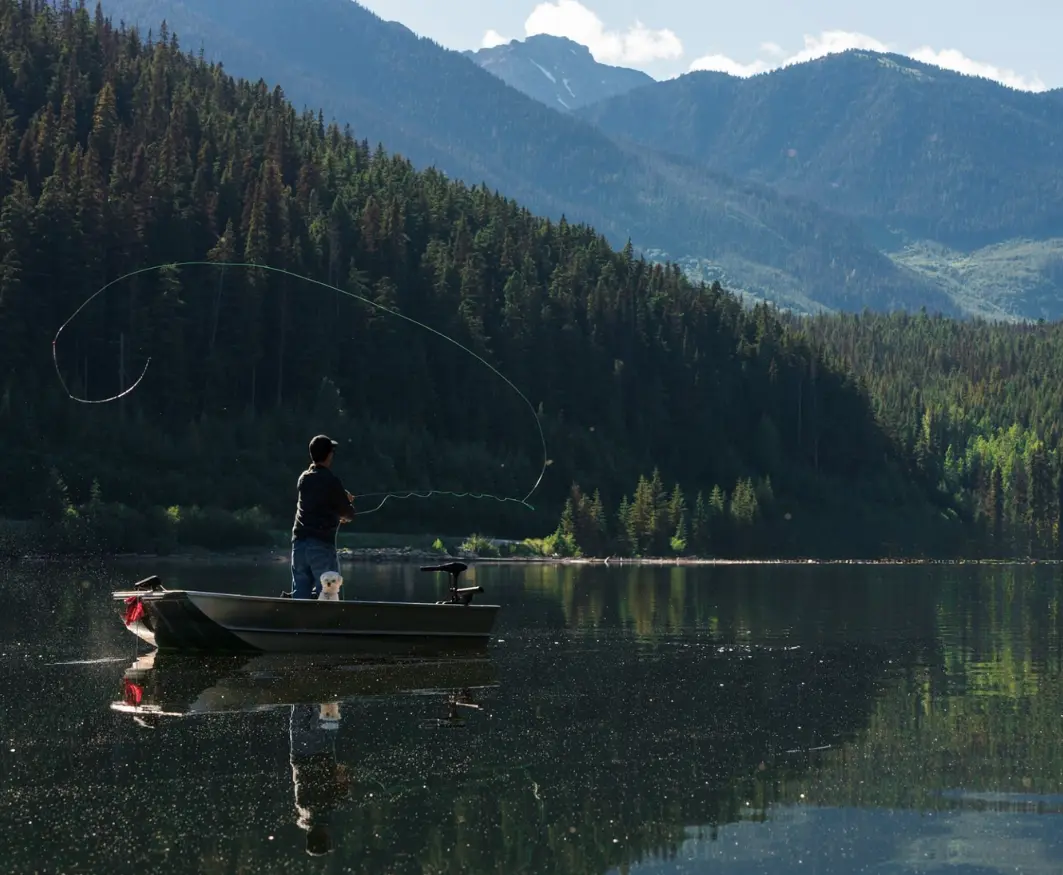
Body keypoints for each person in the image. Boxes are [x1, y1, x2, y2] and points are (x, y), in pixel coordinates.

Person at [289, 434, 356, 600]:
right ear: (329, 455)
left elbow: (317, 503)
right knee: (328, 594)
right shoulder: (331, 481)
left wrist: (338, 498)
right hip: (321, 546)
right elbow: (348, 514)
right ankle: (327, 624)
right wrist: (346, 500)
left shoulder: (303, 479)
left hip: (299, 545)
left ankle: (299, 623)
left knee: (300, 595)